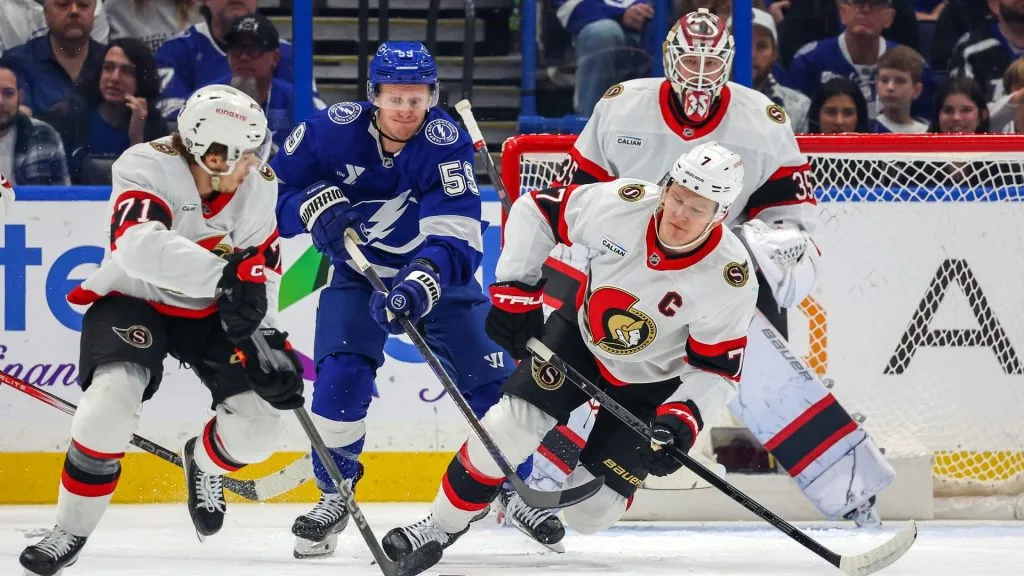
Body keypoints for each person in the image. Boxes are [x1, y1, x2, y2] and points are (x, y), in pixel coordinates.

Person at [538, 8, 893, 532]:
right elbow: (577, 198)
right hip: (628, 274)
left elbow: (791, 220)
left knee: (760, 374)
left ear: (730, 62)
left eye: (711, 61)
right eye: (690, 59)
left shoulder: (760, 119)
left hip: (715, 280)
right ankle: (542, 477)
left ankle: (852, 490)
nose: (700, 74)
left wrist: (756, 256)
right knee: (590, 369)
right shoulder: (623, 106)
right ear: (668, 58)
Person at [383, 142, 758, 559]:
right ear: (666, 186)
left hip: (650, 380)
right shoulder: (621, 204)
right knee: (507, 428)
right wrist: (515, 291)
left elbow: (718, 369)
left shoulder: (730, 277)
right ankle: (438, 527)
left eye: (698, 208)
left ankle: (570, 445)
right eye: (678, 196)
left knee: (592, 514)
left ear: (720, 215)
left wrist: (683, 419)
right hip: (579, 338)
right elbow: (536, 210)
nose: (680, 214)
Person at [18, 84, 303, 576]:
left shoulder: (259, 187)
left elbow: (262, 275)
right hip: (135, 297)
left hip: (212, 312)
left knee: (259, 430)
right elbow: (138, 249)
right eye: (246, 154)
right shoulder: (144, 165)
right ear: (214, 155)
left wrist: (266, 339)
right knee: (107, 407)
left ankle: (205, 464)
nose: (254, 163)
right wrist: (229, 281)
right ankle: (69, 529)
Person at [270, 40, 536, 559]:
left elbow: (458, 238)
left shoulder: (444, 142)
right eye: (396, 98)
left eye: (418, 98)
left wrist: (419, 283)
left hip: (439, 280)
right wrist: (308, 206)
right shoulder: (329, 131)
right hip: (358, 275)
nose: (407, 110)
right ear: (374, 96)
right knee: (340, 379)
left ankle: (507, 488)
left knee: (493, 390)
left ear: (432, 97)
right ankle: (335, 494)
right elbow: (270, 196)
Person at [155, 1, 323, 121]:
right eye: (237, 49)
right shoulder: (175, 50)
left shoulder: (288, 54)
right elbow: (166, 113)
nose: (244, 57)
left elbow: (315, 111)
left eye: (254, 50)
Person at [43, 37, 169, 183]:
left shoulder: (155, 127)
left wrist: (137, 138)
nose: (114, 78)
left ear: (141, 79)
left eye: (127, 71)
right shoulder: (67, 117)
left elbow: (151, 188)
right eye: (108, 68)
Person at [4, 0, 107, 114]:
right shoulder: (17, 62)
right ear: (45, 13)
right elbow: (19, 122)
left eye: (83, 5)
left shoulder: (110, 63)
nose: (74, 11)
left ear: (93, 12)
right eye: (63, 5)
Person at [870, 45, 928, 133]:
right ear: (876, 85)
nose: (890, 87)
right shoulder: (867, 130)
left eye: (900, 81)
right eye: (884, 80)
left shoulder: (928, 132)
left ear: (916, 90)